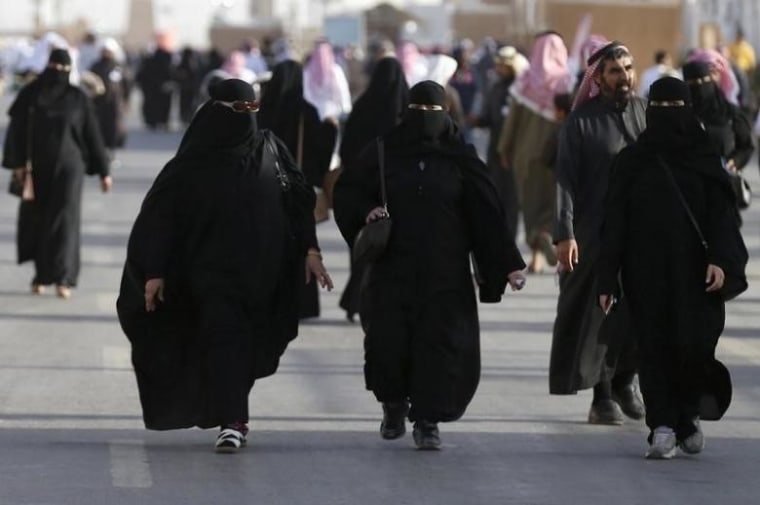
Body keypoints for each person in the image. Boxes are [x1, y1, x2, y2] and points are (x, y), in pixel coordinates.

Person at [116, 79, 333, 453]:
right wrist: (154, 272)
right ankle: (233, 421)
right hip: (209, 273)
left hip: (265, 272)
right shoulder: (193, 161)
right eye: (239, 110)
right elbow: (160, 218)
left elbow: (297, 203)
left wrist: (311, 252)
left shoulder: (271, 149)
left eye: (253, 109)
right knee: (224, 335)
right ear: (217, 111)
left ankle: (231, 408)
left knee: (246, 344)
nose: (248, 118)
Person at [333, 81, 526, 450]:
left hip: (445, 274)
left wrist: (507, 265)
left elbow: (486, 214)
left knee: (438, 347)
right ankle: (392, 406)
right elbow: (349, 191)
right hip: (392, 271)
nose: (426, 121)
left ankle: (427, 420)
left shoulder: (460, 157)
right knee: (388, 344)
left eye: (433, 114)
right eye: (419, 112)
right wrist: (366, 211)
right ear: (406, 113)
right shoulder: (384, 152)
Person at [597, 77, 748, 459]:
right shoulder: (632, 161)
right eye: (659, 108)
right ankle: (662, 426)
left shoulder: (704, 158)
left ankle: (689, 416)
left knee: (694, 346)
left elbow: (723, 218)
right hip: (645, 273)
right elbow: (614, 223)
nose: (666, 116)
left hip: (699, 275)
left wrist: (722, 261)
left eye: (673, 107)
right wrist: (607, 279)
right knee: (654, 347)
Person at [551, 39, 647, 425]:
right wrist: (565, 233)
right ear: (599, 78)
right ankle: (602, 395)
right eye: (614, 71)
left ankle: (626, 380)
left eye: (627, 68)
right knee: (596, 315)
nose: (623, 76)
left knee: (641, 309)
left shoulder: (646, 112)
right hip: (594, 233)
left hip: (640, 233)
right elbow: (565, 181)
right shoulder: (581, 121)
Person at [2, 48, 113, 298]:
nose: (59, 74)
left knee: (65, 221)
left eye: (64, 69)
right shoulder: (31, 94)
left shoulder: (77, 98)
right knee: (40, 220)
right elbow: (16, 131)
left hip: (70, 169)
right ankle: (42, 275)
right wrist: (18, 164)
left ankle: (64, 277)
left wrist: (104, 171)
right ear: (48, 66)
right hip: (37, 168)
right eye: (56, 68)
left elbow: (92, 135)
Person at [258, 59, 338, 319]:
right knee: (302, 244)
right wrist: (331, 130)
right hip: (297, 189)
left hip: (264, 190)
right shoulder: (306, 111)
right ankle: (300, 304)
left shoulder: (261, 110)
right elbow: (320, 150)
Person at [337, 56, 409, 322]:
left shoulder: (363, 106)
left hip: (361, 189)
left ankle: (355, 299)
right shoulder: (406, 109)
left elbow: (345, 148)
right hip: (395, 188)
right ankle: (370, 299)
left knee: (363, 243)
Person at [498, 31, 574, 273]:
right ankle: (548, 234)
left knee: (530, 204)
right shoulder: (567, 82)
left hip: (525, 154)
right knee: (554, 203)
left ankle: (537, 256)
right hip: (557, 154)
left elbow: (511, 122)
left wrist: (503, 149)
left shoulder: (525, 81)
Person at [470, 45, 529, 240]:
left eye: (502, 65)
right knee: (496, 192)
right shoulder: (496, 87)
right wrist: (477, 120)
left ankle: (510, 238)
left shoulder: (520, 88)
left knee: (511, 197)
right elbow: (490, 117)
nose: (498, 68)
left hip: (514, 149)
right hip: (495, 147)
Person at [682, 61, 754, 178]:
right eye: (693, 83)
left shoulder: (730, 113)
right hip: (688, 186)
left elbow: (746, 146)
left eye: (704, 81)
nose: (700, 86)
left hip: (723, 184)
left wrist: (736, 161)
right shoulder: (680, 115)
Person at [89, 38, 130, 155]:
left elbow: (127, 83)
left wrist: (126, 100)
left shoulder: (119, 66)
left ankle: (112, 149)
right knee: (99, 126)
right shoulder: (95, 66)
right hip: (99, 102)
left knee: (114, 127)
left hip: (115, 103)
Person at [303, 39, 352, 125]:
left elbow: (342, 90)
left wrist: (346, 108)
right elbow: (306, 93)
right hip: (315, 112)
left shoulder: (335, 70)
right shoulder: (308, 72)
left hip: (333, 112)